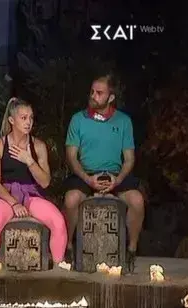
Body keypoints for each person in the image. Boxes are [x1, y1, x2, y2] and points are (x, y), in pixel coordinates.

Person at [63, 74, 145, 270]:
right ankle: (68, 247)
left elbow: (129, 159)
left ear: (111, 97)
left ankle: (131, 251)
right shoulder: (78, 119)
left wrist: (118, 180)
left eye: (99, 93)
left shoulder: (123, 121)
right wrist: (88, 179)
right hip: (86, 174)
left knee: (137, 201)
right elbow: (71, 157)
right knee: (71, 200)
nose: (93, 96)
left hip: (114, 175)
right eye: (92, 92)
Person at [0, 98, 67, 266]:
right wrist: (14, 204)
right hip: (5, 196)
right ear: (11, 120)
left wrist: (29, 161)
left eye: (31, 118)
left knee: (58, 221)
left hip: (31, 194)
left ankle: (59, 269)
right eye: (23, 118)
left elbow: (45, 182)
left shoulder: (38, 146)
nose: (29, 122)